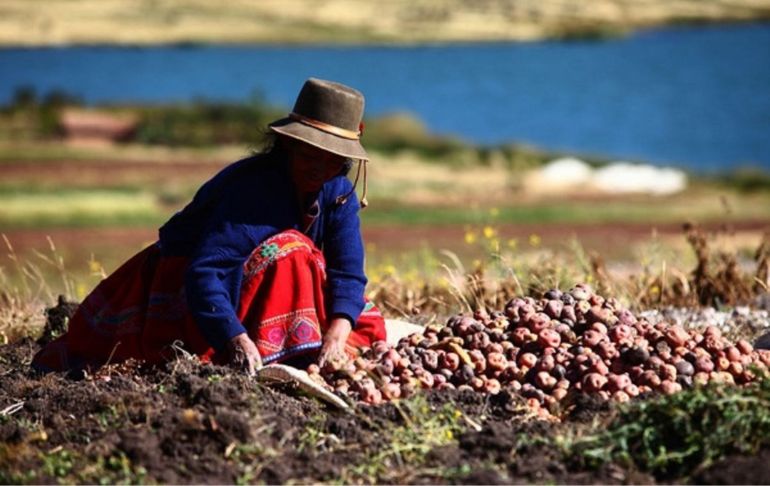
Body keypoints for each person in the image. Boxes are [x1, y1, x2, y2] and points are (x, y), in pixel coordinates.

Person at [32, 78, 387, 375]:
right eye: (310, 155)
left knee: (360, 318)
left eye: (332, 160)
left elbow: (347, 270)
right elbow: (205, 272)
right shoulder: (255, 189)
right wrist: (235, 338)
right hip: (188, 285)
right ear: (288, 145)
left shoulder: (338, 192)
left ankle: (299, 343)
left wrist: (338, 332)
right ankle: (283, 348)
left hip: (252, 284)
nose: (319, 169)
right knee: (293, 252)